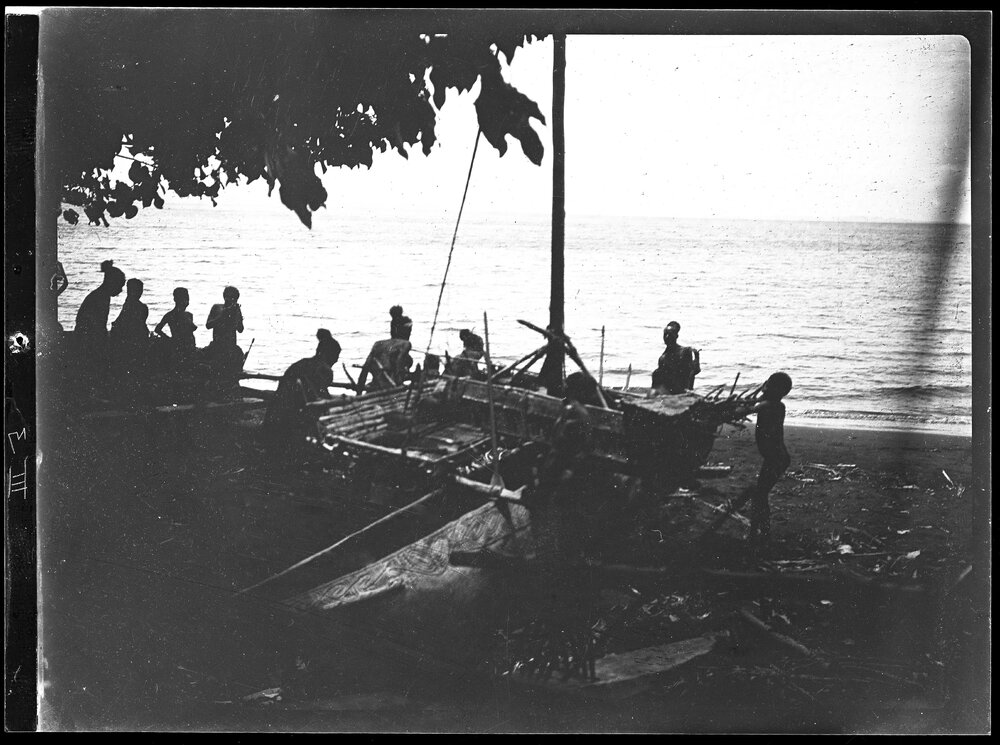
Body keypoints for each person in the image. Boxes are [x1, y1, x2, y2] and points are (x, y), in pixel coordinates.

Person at [264, 329, 341, 443]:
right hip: (291, 424)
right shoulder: (323, 369)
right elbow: (319, 400)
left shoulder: (301, 364)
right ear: (328, 354)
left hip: (274, 417)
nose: (337, 360)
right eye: (336, 356)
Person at [746, 372, 793, 547]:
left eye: (768, 385)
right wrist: (763, 390)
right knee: (761, 494)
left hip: (776, 459)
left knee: (760, 495)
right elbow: (758, 402)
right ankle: (760, 531)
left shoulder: (769, 405)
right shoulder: (775, 404)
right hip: (777, 458)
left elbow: (748, 409)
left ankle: (761, 533)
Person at [74, 260, 127, 385]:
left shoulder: (100, 295)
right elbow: (97, 325)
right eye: (120, 285)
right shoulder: (101, 298)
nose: (120, 290)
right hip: (88, 342)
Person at [356, 306, 413, 393]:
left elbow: (365, 369)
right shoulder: (405, 344)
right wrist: (400, 386)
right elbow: (399, 363)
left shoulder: (378, 344)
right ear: (406, 331)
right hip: (391, 390)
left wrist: (358, 392)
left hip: (374, 388)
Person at [205, 285, 245, 394]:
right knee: (217, 375)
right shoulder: (217, 308)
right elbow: (208, 325)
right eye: (230, 298)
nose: (232, 301)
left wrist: (237, 315)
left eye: (234, 299)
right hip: (217, 346)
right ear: (224, 297)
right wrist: (224, 314)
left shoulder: (236, 310)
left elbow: (240, 329)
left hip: (231, 348)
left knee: (232, 375)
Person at [651, 321, 700, 394]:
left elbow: (690, 374)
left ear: (676, 336)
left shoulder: (684, 351)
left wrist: (697, 358)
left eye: (670, 335)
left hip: (680, 391)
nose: (667, 337)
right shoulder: (663, 357)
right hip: (666, 392)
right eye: (665, 334)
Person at [153, 287, 198, 352]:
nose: (187, 301)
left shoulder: (188, 314)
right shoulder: (170, 315)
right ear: (176, 300)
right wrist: (169, 339)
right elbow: (157, 329)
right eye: (185, 299)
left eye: (187, 299)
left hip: (190, 346)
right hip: (180, 346)